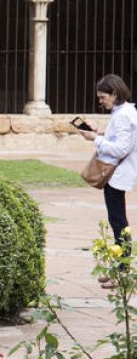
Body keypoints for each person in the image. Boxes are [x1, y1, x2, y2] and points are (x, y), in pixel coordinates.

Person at [77, 73, 137, 287]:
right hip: (117, 175)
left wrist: (96, 139)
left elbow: (121, 148)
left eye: (103, 97)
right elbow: (119, 140)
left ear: (114, 93)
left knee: (119, 223)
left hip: (117, 175)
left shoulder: (123, 115)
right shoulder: (123, 111)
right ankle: (120, 269)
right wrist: (99, 134)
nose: (101, 101)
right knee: (117, 222)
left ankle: (123, 272)